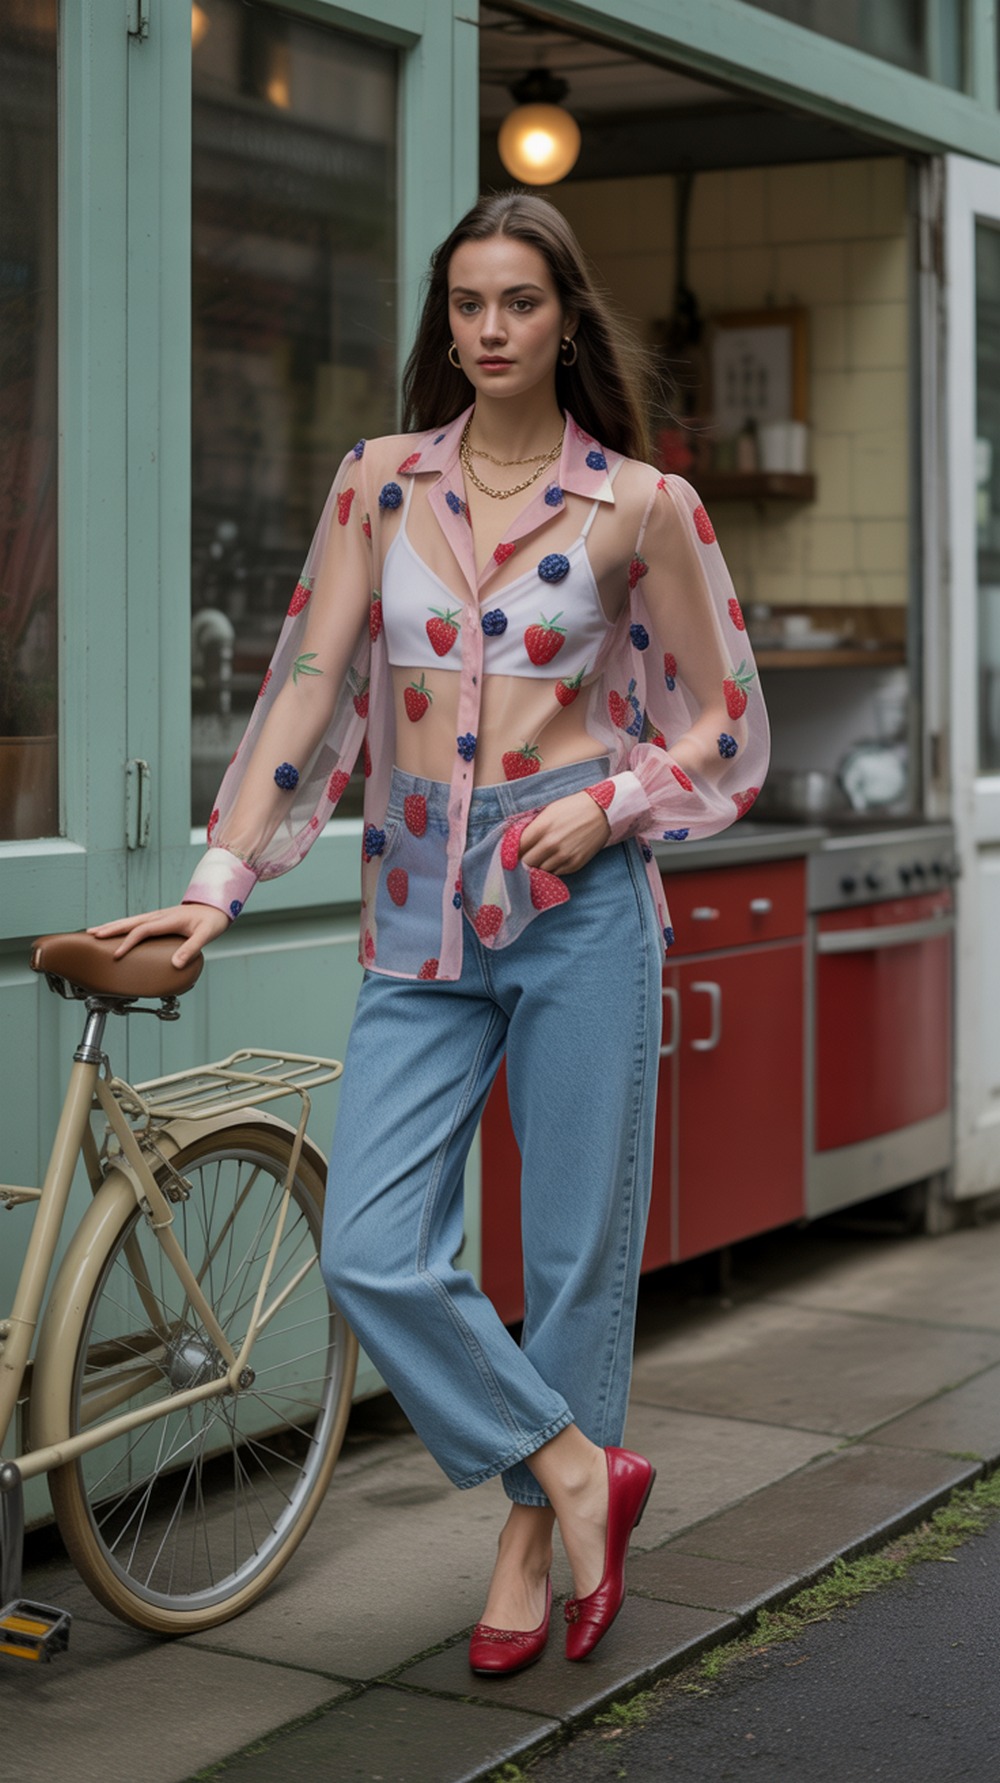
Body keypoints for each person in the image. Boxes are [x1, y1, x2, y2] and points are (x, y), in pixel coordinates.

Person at [92, 191, 768, 1673]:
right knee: (374, 1246)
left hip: (577, 899)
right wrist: (219, 882)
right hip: (418, 908)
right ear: (443, 322)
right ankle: (579, 1470)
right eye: (467, 304)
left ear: (565, 318)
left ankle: (532, 1540)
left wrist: (622, 802)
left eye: (519, 303)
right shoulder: (380, 485)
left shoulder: (640, 505)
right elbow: (310, 694)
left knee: (578, 1253)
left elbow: (727, 726)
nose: (490, 330)